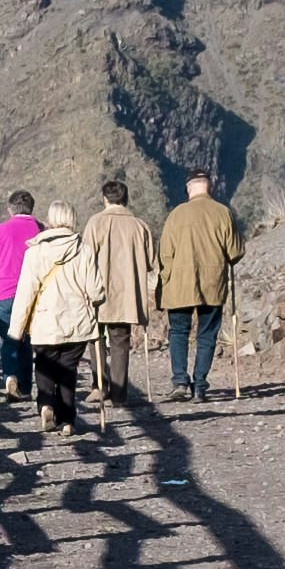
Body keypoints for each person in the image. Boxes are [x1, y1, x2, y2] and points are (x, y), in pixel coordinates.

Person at [10, 201, 100, 437]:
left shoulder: (35, 252)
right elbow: (97, 291)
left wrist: (16, 330)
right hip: (77, 323)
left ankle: (46, 405)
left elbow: (25, 293)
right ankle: (68, 420)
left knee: (44, 366)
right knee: (68, 370)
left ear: (49, 220)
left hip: (45, 323)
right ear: (72, 219)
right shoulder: (85, 250)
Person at [157, 171, 241, 399]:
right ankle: (201, 385)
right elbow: (235, 252)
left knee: (178, 332)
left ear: (188, 188)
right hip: (212, 284)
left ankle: (180, 382)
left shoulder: (176, 215)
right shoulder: (223, 213)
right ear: (209, 187)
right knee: (207, 334)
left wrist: (163, 282)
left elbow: (164, 254)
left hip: (179, 285)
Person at [80, 178, 153, 405]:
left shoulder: (95, 223)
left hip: (99, 294)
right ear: (126, 199)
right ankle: (120, 394)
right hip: (128, 296)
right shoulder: (140, 226)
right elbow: (150, 261)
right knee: (120, 341)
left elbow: (85, 259)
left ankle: (100, 386)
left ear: (105, 199)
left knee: (96, 338)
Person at [0, 190, 43, 401]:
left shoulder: (0, 230)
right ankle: (25, 387)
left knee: (8, 338)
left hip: (4, 293)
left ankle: (10, 377)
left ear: (9, 209)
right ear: (32, 208)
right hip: (33, 293)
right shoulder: (41, 230)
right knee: (27, 340)